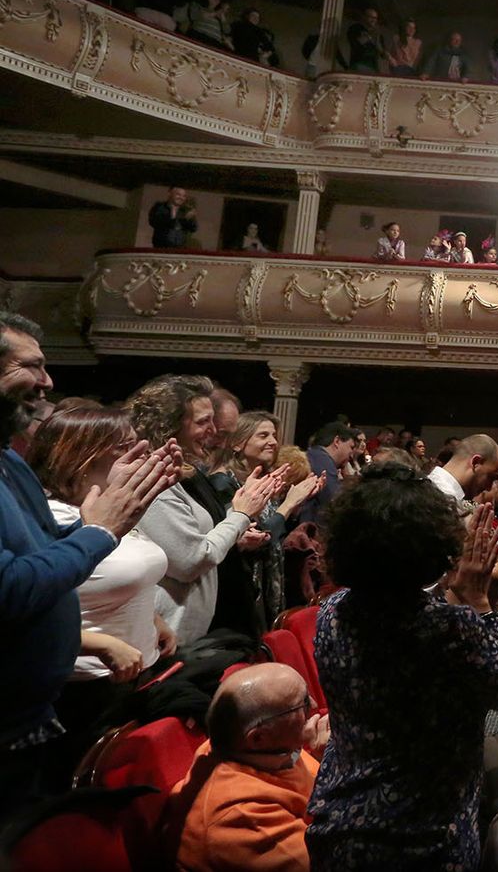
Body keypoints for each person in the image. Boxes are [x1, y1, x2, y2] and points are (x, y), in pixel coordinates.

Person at [306, 466, 498, 871]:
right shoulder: (449, 628)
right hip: (423, 835)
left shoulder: (332, 612)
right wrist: (479, 600)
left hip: (340, 821)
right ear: (432, 547)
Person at [2, 316, 177, 809]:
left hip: (34, 713)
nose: (47, 382)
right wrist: (99, 531)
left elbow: (47, 547)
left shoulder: (7, 461)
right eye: (30, 366)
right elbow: (11, 587)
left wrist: (100, 522)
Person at [30, 403, 178, 755]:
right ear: (82, 457)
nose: (138, 458)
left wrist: (154, 620)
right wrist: (101, 644)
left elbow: (112, 577)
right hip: (79, 683)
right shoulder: (51, 519)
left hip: (130, 672)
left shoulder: (112, 509)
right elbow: (25, 608)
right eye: (124, 449)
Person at [130, 376, 286, 643]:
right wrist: (240, 514)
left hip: (188, 633)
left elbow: (200, 537)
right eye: (203, 422)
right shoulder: (152, 481)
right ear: (169, 425)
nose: (213, 431)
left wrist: (237, 527)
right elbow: (191, 560)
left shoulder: (175, 475)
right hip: (168, 637)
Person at [168, 663, 328, 872]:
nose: (314, 704)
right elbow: (331, 863)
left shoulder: (259, 748)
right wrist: (338, 764)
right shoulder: (240, 817)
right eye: (303, 703)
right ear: (258, 737)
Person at [210, 413, 326, 628]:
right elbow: (258, 536)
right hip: (238, 589)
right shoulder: (222, 482)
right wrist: (288, 504)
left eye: (274, 435)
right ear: (237, 443)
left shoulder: (264, 480)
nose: (273, 442)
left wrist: (297, 503)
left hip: (264, 585)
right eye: (263, 435)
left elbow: (278, 535)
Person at [428, 433, 498, 514]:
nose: (489, 488)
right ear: (476, 462)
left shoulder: (429, 485)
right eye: (491, 477)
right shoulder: (443, 501)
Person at [303, 422, 358, 526]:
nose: (351, 455)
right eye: (351, 447)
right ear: (337, 441)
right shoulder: (323, 461)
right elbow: (335, 504)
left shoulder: (314, 455)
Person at [345, 8, 384, 73]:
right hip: (359, 65)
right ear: (364, 17)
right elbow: (357, 43)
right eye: (371, 17)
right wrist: (371, 34)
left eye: (375, 18)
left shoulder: (377, 33)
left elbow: (382, 54)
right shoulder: (355, 28)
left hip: (374, 66)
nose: (373, 20)